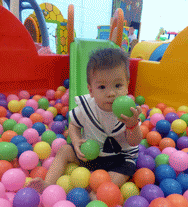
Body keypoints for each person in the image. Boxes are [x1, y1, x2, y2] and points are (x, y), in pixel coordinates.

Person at [27, 48, 143, 195]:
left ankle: (98, 193)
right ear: (91, 90)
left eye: (118, 85)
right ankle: (48, 183)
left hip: (119, 159)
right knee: (64, 150)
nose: (111, 93)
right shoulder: (87, 106)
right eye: (102, 87)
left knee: (122, 172)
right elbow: (74, 124)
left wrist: (132, 125)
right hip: (91, 155)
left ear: (127, 85)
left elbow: (134, 142)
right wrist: (75, 141)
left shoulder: (128, 111)